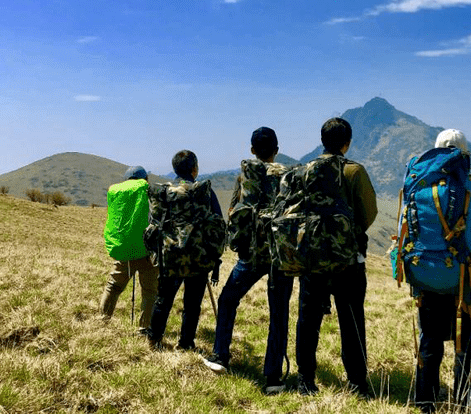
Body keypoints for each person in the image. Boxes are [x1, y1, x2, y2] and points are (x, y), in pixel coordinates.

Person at [203, 127, 294, 395]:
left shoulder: (245, 176)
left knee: (228, 299)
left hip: (251, 254)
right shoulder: (288, 175)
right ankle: (273, 378)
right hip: (280, 256)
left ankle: (221, 356)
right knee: (279, 313)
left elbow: (233, 211)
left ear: (252, 150)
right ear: (277, 150)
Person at [295, 117, 377, 397]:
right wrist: (347, 236)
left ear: (322, 141)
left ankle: (305, 379)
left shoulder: (303, 171)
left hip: (312, 258)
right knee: (352, 321)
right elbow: (369, 212)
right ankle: (357, 383)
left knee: (308, 319)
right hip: (348, 260)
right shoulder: (354, 171)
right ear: (347, 142)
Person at [414, 129, 471, 413]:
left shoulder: (420, 184)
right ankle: (463, 401)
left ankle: (424, 400)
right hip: (465, 276)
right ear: (465, 155)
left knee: (431, 337)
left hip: (426, 273)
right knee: (467, 340)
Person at [145, 150, 223, 352]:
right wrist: (215, 255)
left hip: (169, 256)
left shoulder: (163, 193)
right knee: (192, 304)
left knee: (163, 299)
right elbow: (217, 223)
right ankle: (186, 343)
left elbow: (153, 224)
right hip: (197, 257)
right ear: (194, 168)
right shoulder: (203, 192)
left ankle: (154, 340)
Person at [99, 165, 159, 335]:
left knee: (113, 286)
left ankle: (103, 320)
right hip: (146, 250)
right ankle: (144, 328)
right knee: (149, 291)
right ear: (145, 179)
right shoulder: (147, 190)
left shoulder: (118, 192)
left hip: (124, 249)